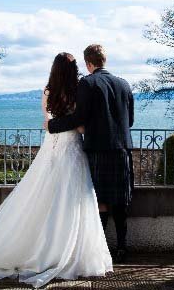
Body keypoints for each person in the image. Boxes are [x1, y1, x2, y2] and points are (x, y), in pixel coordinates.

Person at [0, 52, 113, 289]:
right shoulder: (78, 91)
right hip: (73, 149)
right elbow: (81, 127)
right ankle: (69, 251)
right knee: (73, 200)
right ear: (74, 70)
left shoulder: (47, 92)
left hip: (51, 149)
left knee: (39, 197)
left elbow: (47, 123)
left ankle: (39, 248)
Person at [45, 44, 134, 263]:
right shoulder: (124, 84)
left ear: (88, 63)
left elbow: (79, 118)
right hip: (122, 150)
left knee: (101, 200)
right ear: (105, 60)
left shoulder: (88, 82)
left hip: (98, 150)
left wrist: (53, 125)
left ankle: (102, 249)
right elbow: (129, 120)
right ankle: (122, 248)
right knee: (121, 201)